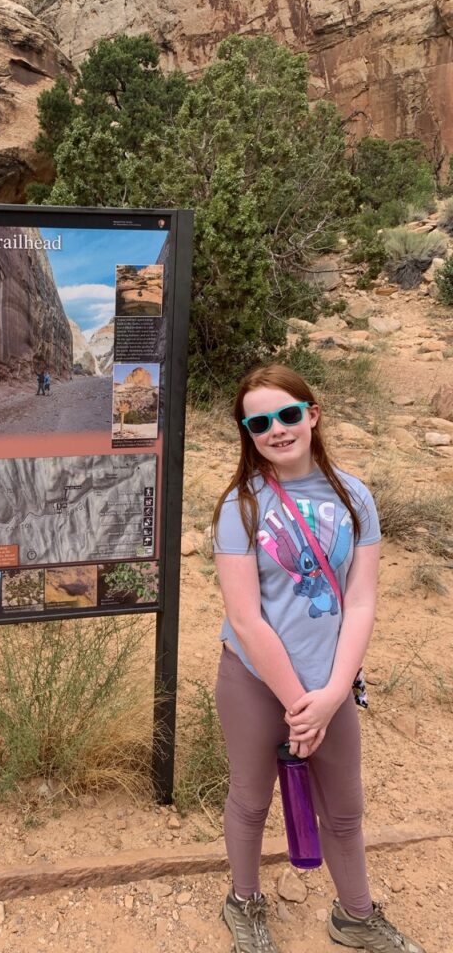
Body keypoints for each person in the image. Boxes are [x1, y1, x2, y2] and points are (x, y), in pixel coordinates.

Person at [211, 364, 425, 953]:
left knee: (345, 812)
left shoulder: (354, 496)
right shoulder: (241, 506)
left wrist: (331, 695)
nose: (276, 430)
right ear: (247, 434)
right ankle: (244, 902)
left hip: (330, 684)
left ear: (312, 414)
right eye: (259, 423)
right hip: (256, 681)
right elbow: (247, 619)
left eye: (286, 414)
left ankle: (355, 916)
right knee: (251, 800)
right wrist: (299, 705)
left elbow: (361, 599)